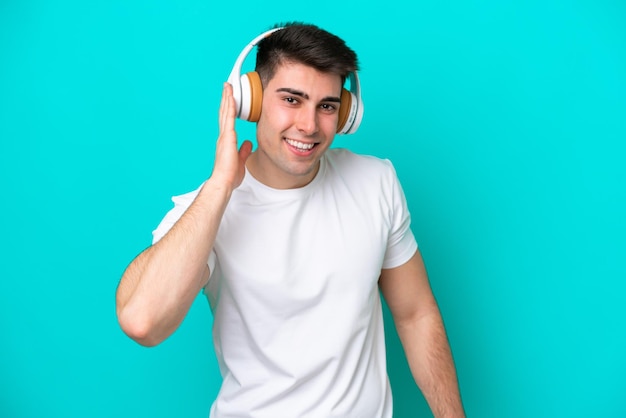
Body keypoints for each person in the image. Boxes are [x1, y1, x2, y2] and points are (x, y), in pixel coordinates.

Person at [116, 22, 465, 418]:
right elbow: (141, 321)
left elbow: (415, 313)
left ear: (347, 113)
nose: (309, 125)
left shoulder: (376, 182)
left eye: (327, 106)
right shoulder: (209, 209)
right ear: (253, 101)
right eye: (292, 100)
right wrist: (218, 188)